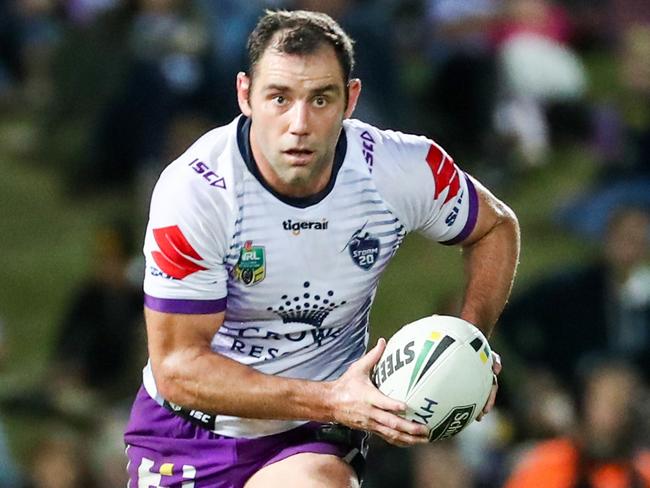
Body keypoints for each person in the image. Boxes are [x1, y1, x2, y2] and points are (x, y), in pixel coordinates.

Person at [124, 9, 520, 488]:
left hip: (310, 437)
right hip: (191, 431)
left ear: (350, 99)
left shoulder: (399, 168)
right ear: (245, 95)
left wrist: (468, 340)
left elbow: (495, 227)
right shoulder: (198, 192)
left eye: (320, 99)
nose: (299, 123)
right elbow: (177, 370)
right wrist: (332, 397)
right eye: (279, 98)